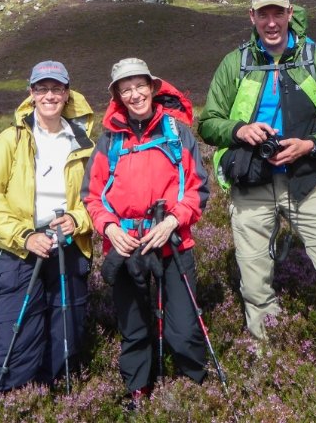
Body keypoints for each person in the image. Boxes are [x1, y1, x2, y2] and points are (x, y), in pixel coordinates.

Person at [198, 0, 316, 343]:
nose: (271, 22)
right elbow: (209, 123)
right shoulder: (236, 63)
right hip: (251, 183)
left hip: (306, 182)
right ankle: (269, 359)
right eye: (264, 14)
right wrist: (240, 130)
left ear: (291, 14)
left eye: (278, 13)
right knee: (255, 284)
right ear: (253, 17)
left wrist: (311, 144)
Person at [82, 58, 208, 407]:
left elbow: (197, 189)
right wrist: (108, 227)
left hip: (173, 242)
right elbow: (91, 196)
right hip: (125, 248)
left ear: (153, 87)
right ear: (118, 96)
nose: (134, 94)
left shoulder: (177, 132)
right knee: (134, 328)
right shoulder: (109, 141)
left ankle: (193, 389)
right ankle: (138, 390)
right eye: (126, 89)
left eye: (140, 86)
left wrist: (172, 221)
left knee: (183, 329)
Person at [0, 60, 96, 391]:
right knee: (19, 337)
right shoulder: (9, 141)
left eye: (56, 89)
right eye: (42, 89)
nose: (49, 96)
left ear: (67, 94)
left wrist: (77, 219)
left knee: (66, 335)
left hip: (69, 248)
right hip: (18, 251)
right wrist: (25, 236)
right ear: (31, 94)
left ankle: (52, 401)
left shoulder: (85, 145)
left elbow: (97, 198)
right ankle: (6, 400)